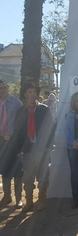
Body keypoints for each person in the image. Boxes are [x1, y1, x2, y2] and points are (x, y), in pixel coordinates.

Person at [13, 82, 54, 212]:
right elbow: (17, 132)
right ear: (25, 95)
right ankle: (29, 201)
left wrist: (48, 146)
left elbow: (51, 128)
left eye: (34, 92)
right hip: (27, 150)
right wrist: (19, 149)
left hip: (42, 148)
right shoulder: (20, 112)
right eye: (29, 92)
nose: (32, 95)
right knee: (28, 177)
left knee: (43, 176)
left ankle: (42, 199)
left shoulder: (44, 109)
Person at [0, 80, 23, 208]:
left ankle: (19, 198)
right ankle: (7, 196)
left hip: (14, 141)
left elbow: (22, 121)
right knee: (4, 170)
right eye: (0, 88)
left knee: (17, 170)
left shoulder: (16, 102)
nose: (3, 90)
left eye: (5, 87)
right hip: (1, 141)